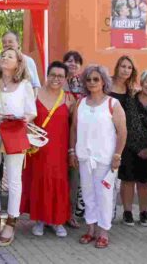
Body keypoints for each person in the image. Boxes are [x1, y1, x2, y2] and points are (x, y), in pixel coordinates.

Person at [69, 65, 127, 249]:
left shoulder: (112, 104)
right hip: (85, 157)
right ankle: (91, 229)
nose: (92, 82)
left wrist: (117, 154)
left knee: (104, 195)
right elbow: (74, 128)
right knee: (87, 194)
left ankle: (103, 232)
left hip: (105, 158)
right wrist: (72, 151)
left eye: (96, 79)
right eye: (89, 79)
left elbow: (122, 131)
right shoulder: (80, 103)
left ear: (103, 81)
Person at [0, 48, 36, 247]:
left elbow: (31, 112)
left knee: (14, 179)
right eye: (3, 56)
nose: (5, 58)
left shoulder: (25, 85)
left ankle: (12, 221)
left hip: (15, 134)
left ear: (18, 63)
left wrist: (22, 119)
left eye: (10, 56)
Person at [21, 61, 75, 237]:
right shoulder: (35, 94)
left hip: (59, 149)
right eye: (53, 75)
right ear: (47, 75)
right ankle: (40, 220)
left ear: (66, 78)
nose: (56, 79)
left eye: (60, 76)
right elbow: (25, 120)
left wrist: (72, 150)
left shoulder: (69, 99)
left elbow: (74, 127)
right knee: (39, 180)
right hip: (38, 149)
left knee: (59, 182)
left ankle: (57, 221)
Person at [118, 70, 147, 226]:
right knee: (127, 180)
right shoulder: (130, 99)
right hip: (128, 146)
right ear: (142, 82)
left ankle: (144, 213)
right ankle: (127, 212)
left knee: (144, 182)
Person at [109, 55, 137, 225]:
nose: (125, 70)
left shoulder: (132, 89)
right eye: (123, 66)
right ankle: (106, 209)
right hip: (107, 135)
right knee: (107, 175)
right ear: (117, 67)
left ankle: (127, 211)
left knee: (127, 176)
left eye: (129, 67)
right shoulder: (107, 84)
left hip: (125, 137)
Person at [62, 50, 84, 228]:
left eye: (76, 62)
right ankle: (56, 212)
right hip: (59, 133)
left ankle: (70, 214)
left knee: (74, 177)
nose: (72, 64)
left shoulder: (86, 85)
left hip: (78, 135)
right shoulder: (57, 82)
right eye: (69, 61)